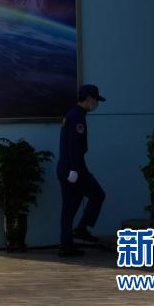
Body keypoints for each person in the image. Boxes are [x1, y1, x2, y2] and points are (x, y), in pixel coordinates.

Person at [57, 84, 107, 257]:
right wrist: (74, 170)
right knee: (98, 195)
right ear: (89, 99)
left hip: (68, 168)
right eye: (95, 100)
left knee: (68, 210)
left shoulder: (73, 114)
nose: (95, 104)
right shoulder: (78, 117)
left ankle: (67, 244)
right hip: (75, 170)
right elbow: (74, 146)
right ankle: (81, 230)